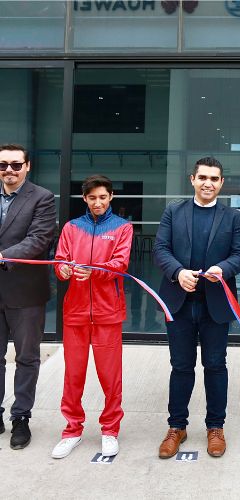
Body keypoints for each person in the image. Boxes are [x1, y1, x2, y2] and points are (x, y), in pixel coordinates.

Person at [153, 157, 240, 459]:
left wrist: (223, 269)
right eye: (203, 177)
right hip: (179, 304)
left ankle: (215, 427)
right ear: (192, 179)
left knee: (216, 366)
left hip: (215, 306)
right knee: (181, 366)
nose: (208, 183)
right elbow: (161, 250)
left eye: (214, 178)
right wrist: (178, 272)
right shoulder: (173, 211)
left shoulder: (232, 216)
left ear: (221, 183)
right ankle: (176, 426)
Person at [51, 175, 133, 459]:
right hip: (75, 311)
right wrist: (61, 270)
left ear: (111, 197)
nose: (98, 202)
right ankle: (72, 430)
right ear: (84, 199)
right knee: (73, 375)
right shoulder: (72, 228)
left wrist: (93, 270)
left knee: (110, 376)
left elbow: (119, 264)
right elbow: (60, 259)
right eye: (92, 198)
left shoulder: (122, 228)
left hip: (107, 311)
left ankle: (110, 430)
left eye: (103, 197)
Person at [0, 143, 56, 449]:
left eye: (15, 165)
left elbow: (38, 239)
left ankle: (21, 417)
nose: (9, 170)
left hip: (25, 292)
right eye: (3, 165)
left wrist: (2, 255)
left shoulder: (42, 198)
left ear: (27, 166)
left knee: (26, 359)